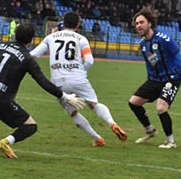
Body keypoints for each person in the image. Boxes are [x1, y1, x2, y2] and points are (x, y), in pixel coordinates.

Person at [0, 24, 86, 157]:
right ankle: (6, 142)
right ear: (31, 40)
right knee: (31, 126)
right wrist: (64, 96)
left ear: (15, 35)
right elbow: (42, 81)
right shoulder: (27, 58)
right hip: (0, 99)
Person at [30, 12, 127, 146]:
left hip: (58, 82)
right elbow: (89, 61)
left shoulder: (50, 37)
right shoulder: (81, 39)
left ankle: (98, 138)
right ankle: (112, 123)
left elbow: (33, 55)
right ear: (77, 25)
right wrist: (80, 71)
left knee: (73, 112)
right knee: (93, 104)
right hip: (78, 79)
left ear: (63, 23)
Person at [129, 8, 181, 149]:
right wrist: (148, 81)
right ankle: (150, 130)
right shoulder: (143, 44)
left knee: (161, 108)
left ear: (150, 23)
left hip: (171, 79)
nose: (138, 26)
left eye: (141, 22)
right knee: (134, 102)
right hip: (154, 80)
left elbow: (179, 55)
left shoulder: (164, 39)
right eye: (137, 23)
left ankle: (171, 142)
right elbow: (149, 64)